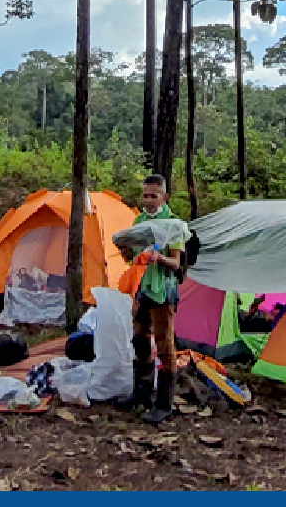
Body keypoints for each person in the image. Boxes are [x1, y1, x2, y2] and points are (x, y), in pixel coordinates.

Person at [127, 173, 186, 424]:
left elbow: (176, 263)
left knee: (164, 345)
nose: (148, 200)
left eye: (154, 196)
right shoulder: (139, 221)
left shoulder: (174, 225)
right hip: (142, 288)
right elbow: (132, 255)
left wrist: (159, 258)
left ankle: (164, 405)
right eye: (145, 196)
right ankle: (140, 395)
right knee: (140, 340)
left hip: (164, 291)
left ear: (165, 197)